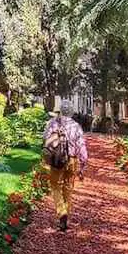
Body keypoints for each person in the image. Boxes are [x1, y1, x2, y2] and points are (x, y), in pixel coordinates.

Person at [43, 99, 89, 231]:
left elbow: (45, 139)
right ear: (71, 112)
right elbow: (81, 146)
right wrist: (83, 163)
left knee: (56, 186)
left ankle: (61, 212)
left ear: (61, 110)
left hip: (57, 160)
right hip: (72, 160)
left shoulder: (52, 123)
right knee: (68, 188)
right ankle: (66, 216)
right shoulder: (76, 126)